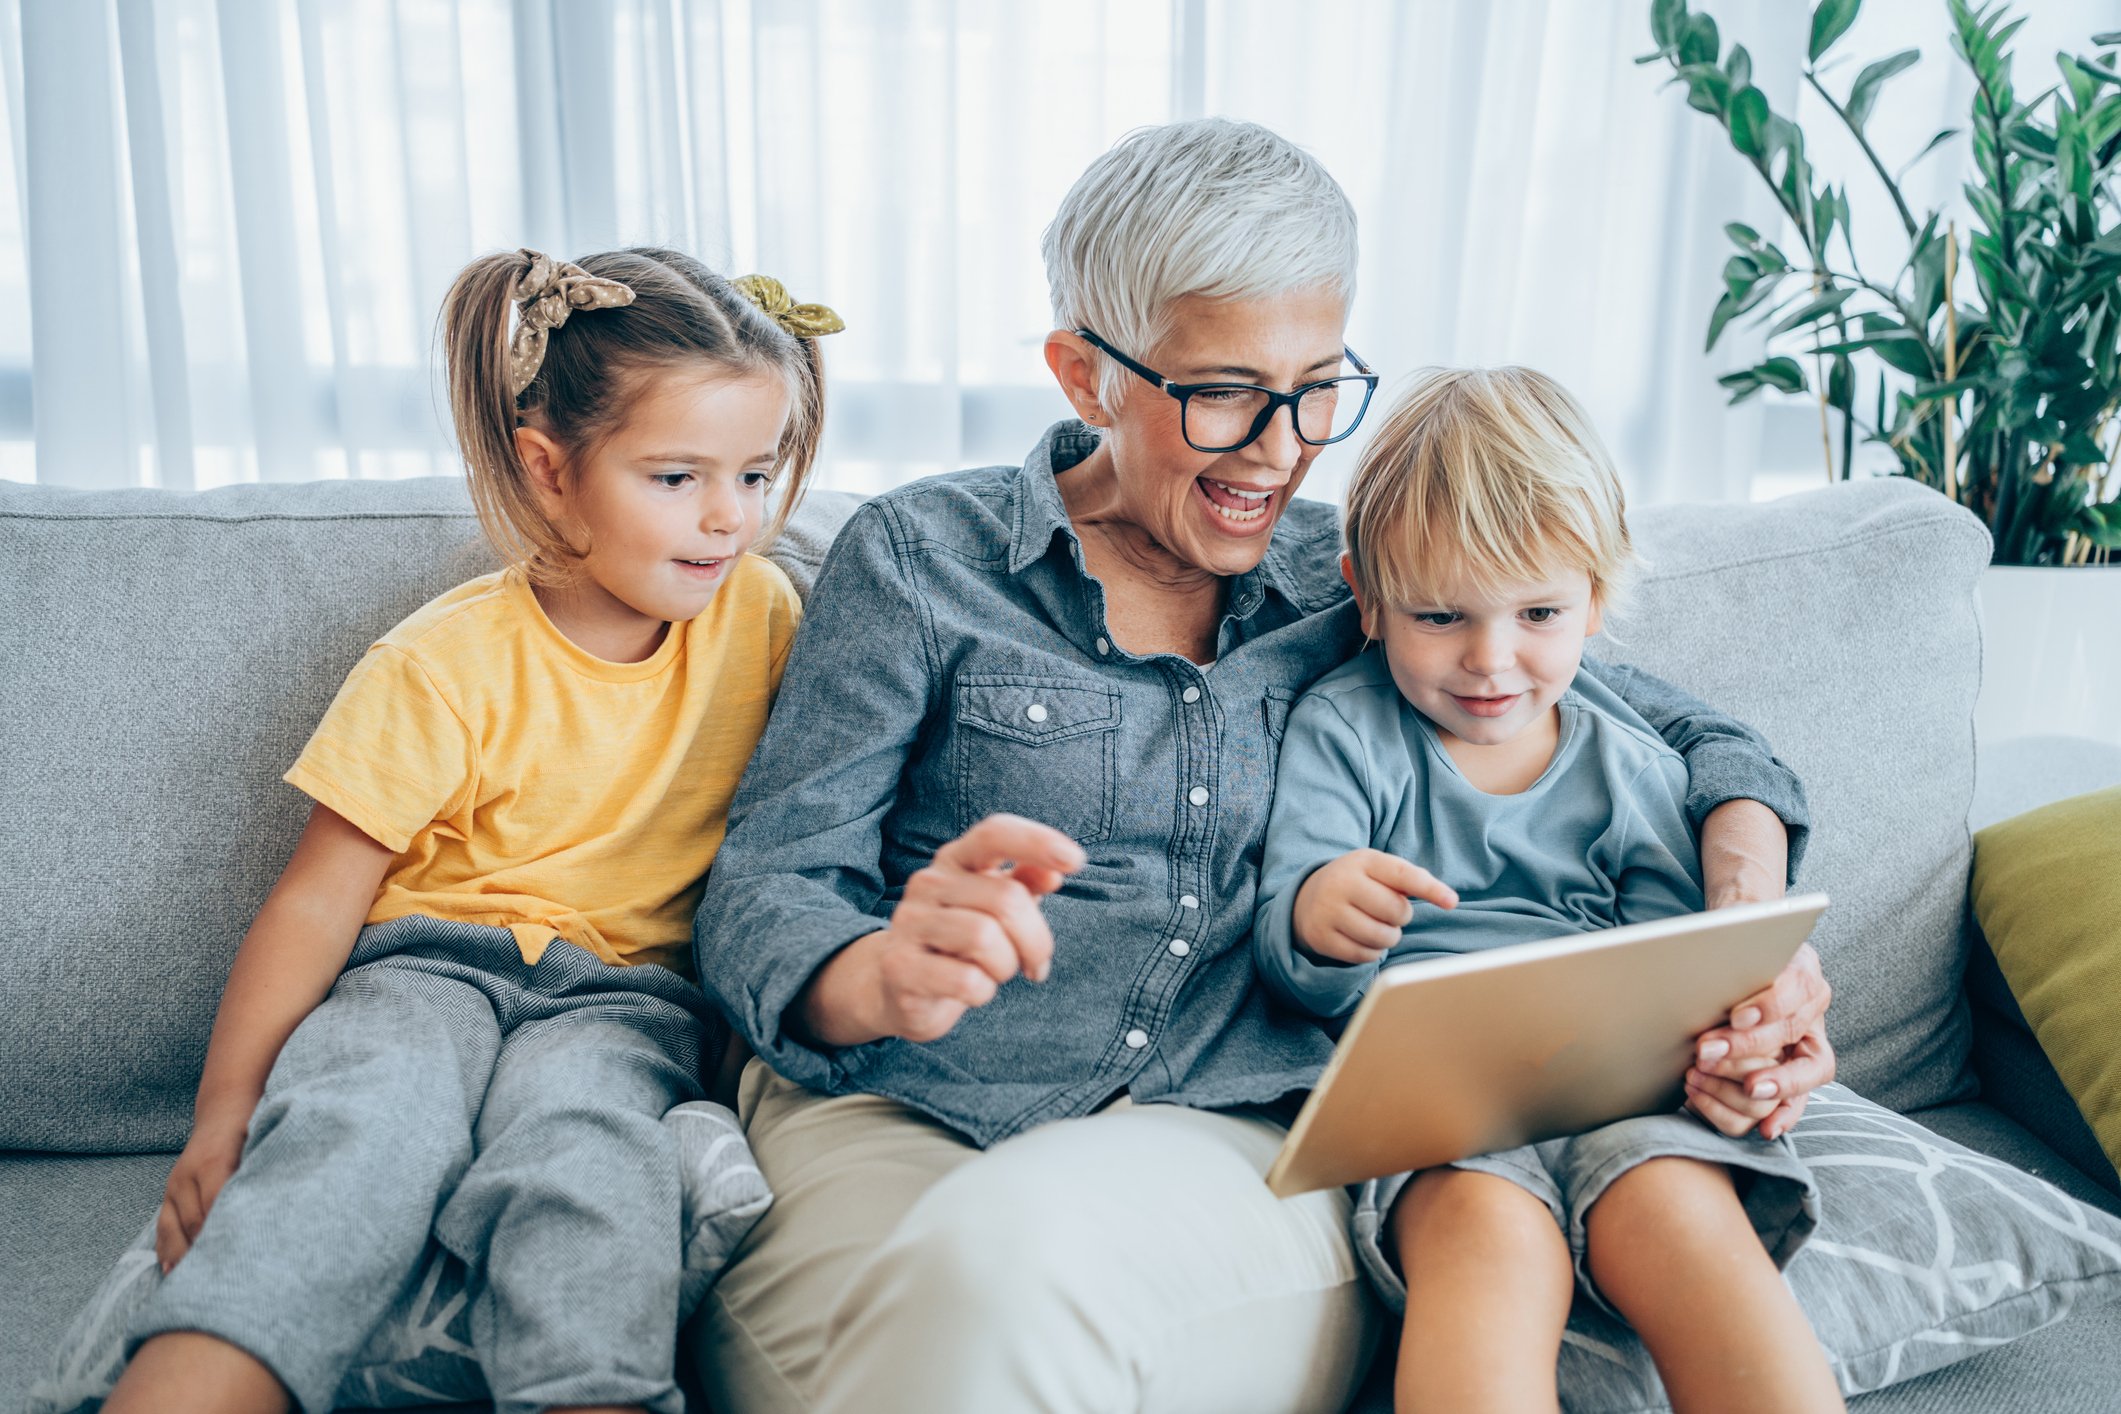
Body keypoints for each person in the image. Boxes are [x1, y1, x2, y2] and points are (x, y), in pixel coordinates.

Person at [688, 117, 1835, 1414]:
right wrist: (875, 972)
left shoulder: (1361, 578)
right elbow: (764, 895)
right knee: (903, 1340)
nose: (1282, 444)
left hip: (1225, 1132)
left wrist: (1749, 923)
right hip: (906, 1103)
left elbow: (1696, 742)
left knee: (1005, 1266)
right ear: (1085, 374)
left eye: (1317, 385)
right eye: (1224, 390)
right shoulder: (921, 559)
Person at [101, 248, 838, 1414]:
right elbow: (315, 899)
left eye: (756, 473)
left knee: (589, 1160)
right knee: (358, 1134)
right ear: (550, 472)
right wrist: (224, 1111)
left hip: (624, 998)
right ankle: (196, 1380)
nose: (729, 518)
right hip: (423, 970)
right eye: (676, 476)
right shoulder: (443, 661)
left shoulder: (766, 619)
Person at [1252, 366, 1843, 1413]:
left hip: (1624, 1093)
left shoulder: (1632, 763)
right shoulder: (1344, 734)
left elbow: (1675, 969)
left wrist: (1727, 1038)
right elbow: (1294, 943)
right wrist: (1321, 917)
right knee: (1486, 1238)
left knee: (1677, 1212)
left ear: (1597, 603)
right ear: (1368, 600)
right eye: (1440, 615)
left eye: (1537, 612)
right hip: (1441, 1114)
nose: (1491, 660)